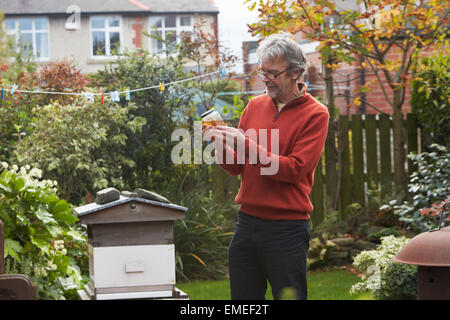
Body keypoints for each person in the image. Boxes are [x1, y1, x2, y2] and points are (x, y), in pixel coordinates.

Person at [203, 32, 329, 300]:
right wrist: (218, 143)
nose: (265, 79)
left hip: (286, 228)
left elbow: (294, 169)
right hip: (247, 224)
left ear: (295, 72)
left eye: (272, 73)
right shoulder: (255, 105)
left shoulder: (316, 114)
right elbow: (238, 166)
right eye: (262, 71)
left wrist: (245, 145)